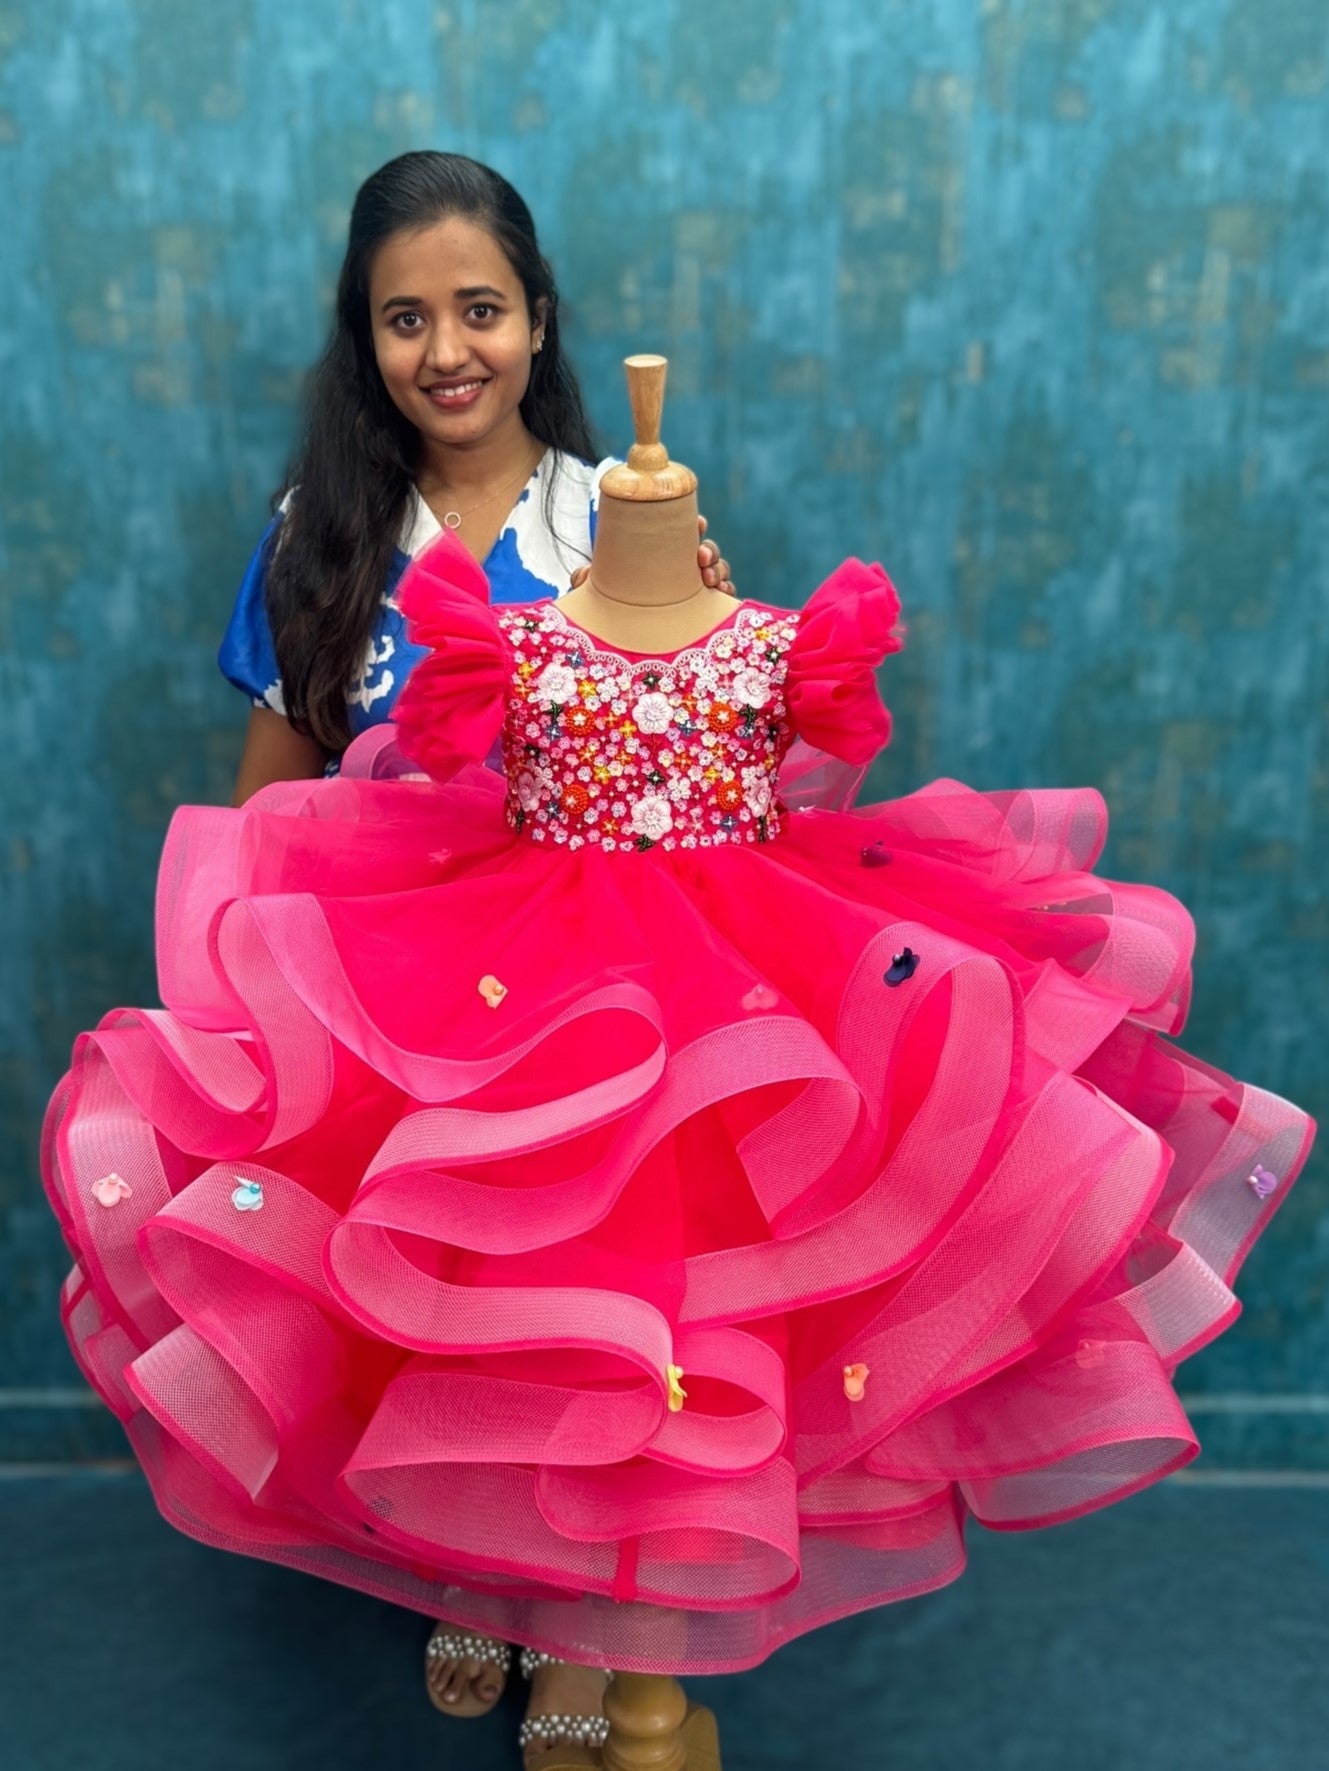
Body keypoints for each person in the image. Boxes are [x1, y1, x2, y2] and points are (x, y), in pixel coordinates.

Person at [220, 149, 732, 806]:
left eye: (481, 312)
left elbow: (674, 795)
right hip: (361, 878)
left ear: (537, 321)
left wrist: (695, 640)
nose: (446, 354)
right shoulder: (313, 529)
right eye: (407, 320)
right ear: (368, 337)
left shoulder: (614, 520)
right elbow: (264, 815)